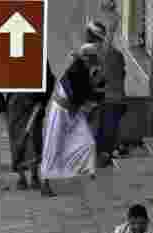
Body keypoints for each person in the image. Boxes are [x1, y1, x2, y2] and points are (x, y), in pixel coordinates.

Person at [39, 43, 106, 196]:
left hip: (74, 112)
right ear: (88, 58)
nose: (96, 61)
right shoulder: (76, 70)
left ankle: (83, 168)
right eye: (94, 58)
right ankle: (45, 181)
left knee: (88, 141)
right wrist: (93, 89)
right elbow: (78, 94)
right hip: (61, 112)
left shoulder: (86, 69)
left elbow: (90, 93)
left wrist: (95, 85)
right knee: (53, 145)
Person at [5, 63, 56, 191]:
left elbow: (50, 79)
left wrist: (42, 101)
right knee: (17, 139)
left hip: (32, 104)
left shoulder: (39, 57)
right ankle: (22, 177)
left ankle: (33, 176)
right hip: (15, 103)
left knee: (33, 140)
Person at [88, 19, 127, 167]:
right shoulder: (116, 54)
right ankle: (109, 152)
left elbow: (94, 80)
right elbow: (122, 74)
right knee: (110, 130)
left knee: (102, 132)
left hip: (105, 101)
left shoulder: (94, 55)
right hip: (117, 100)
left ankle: (104, 155)